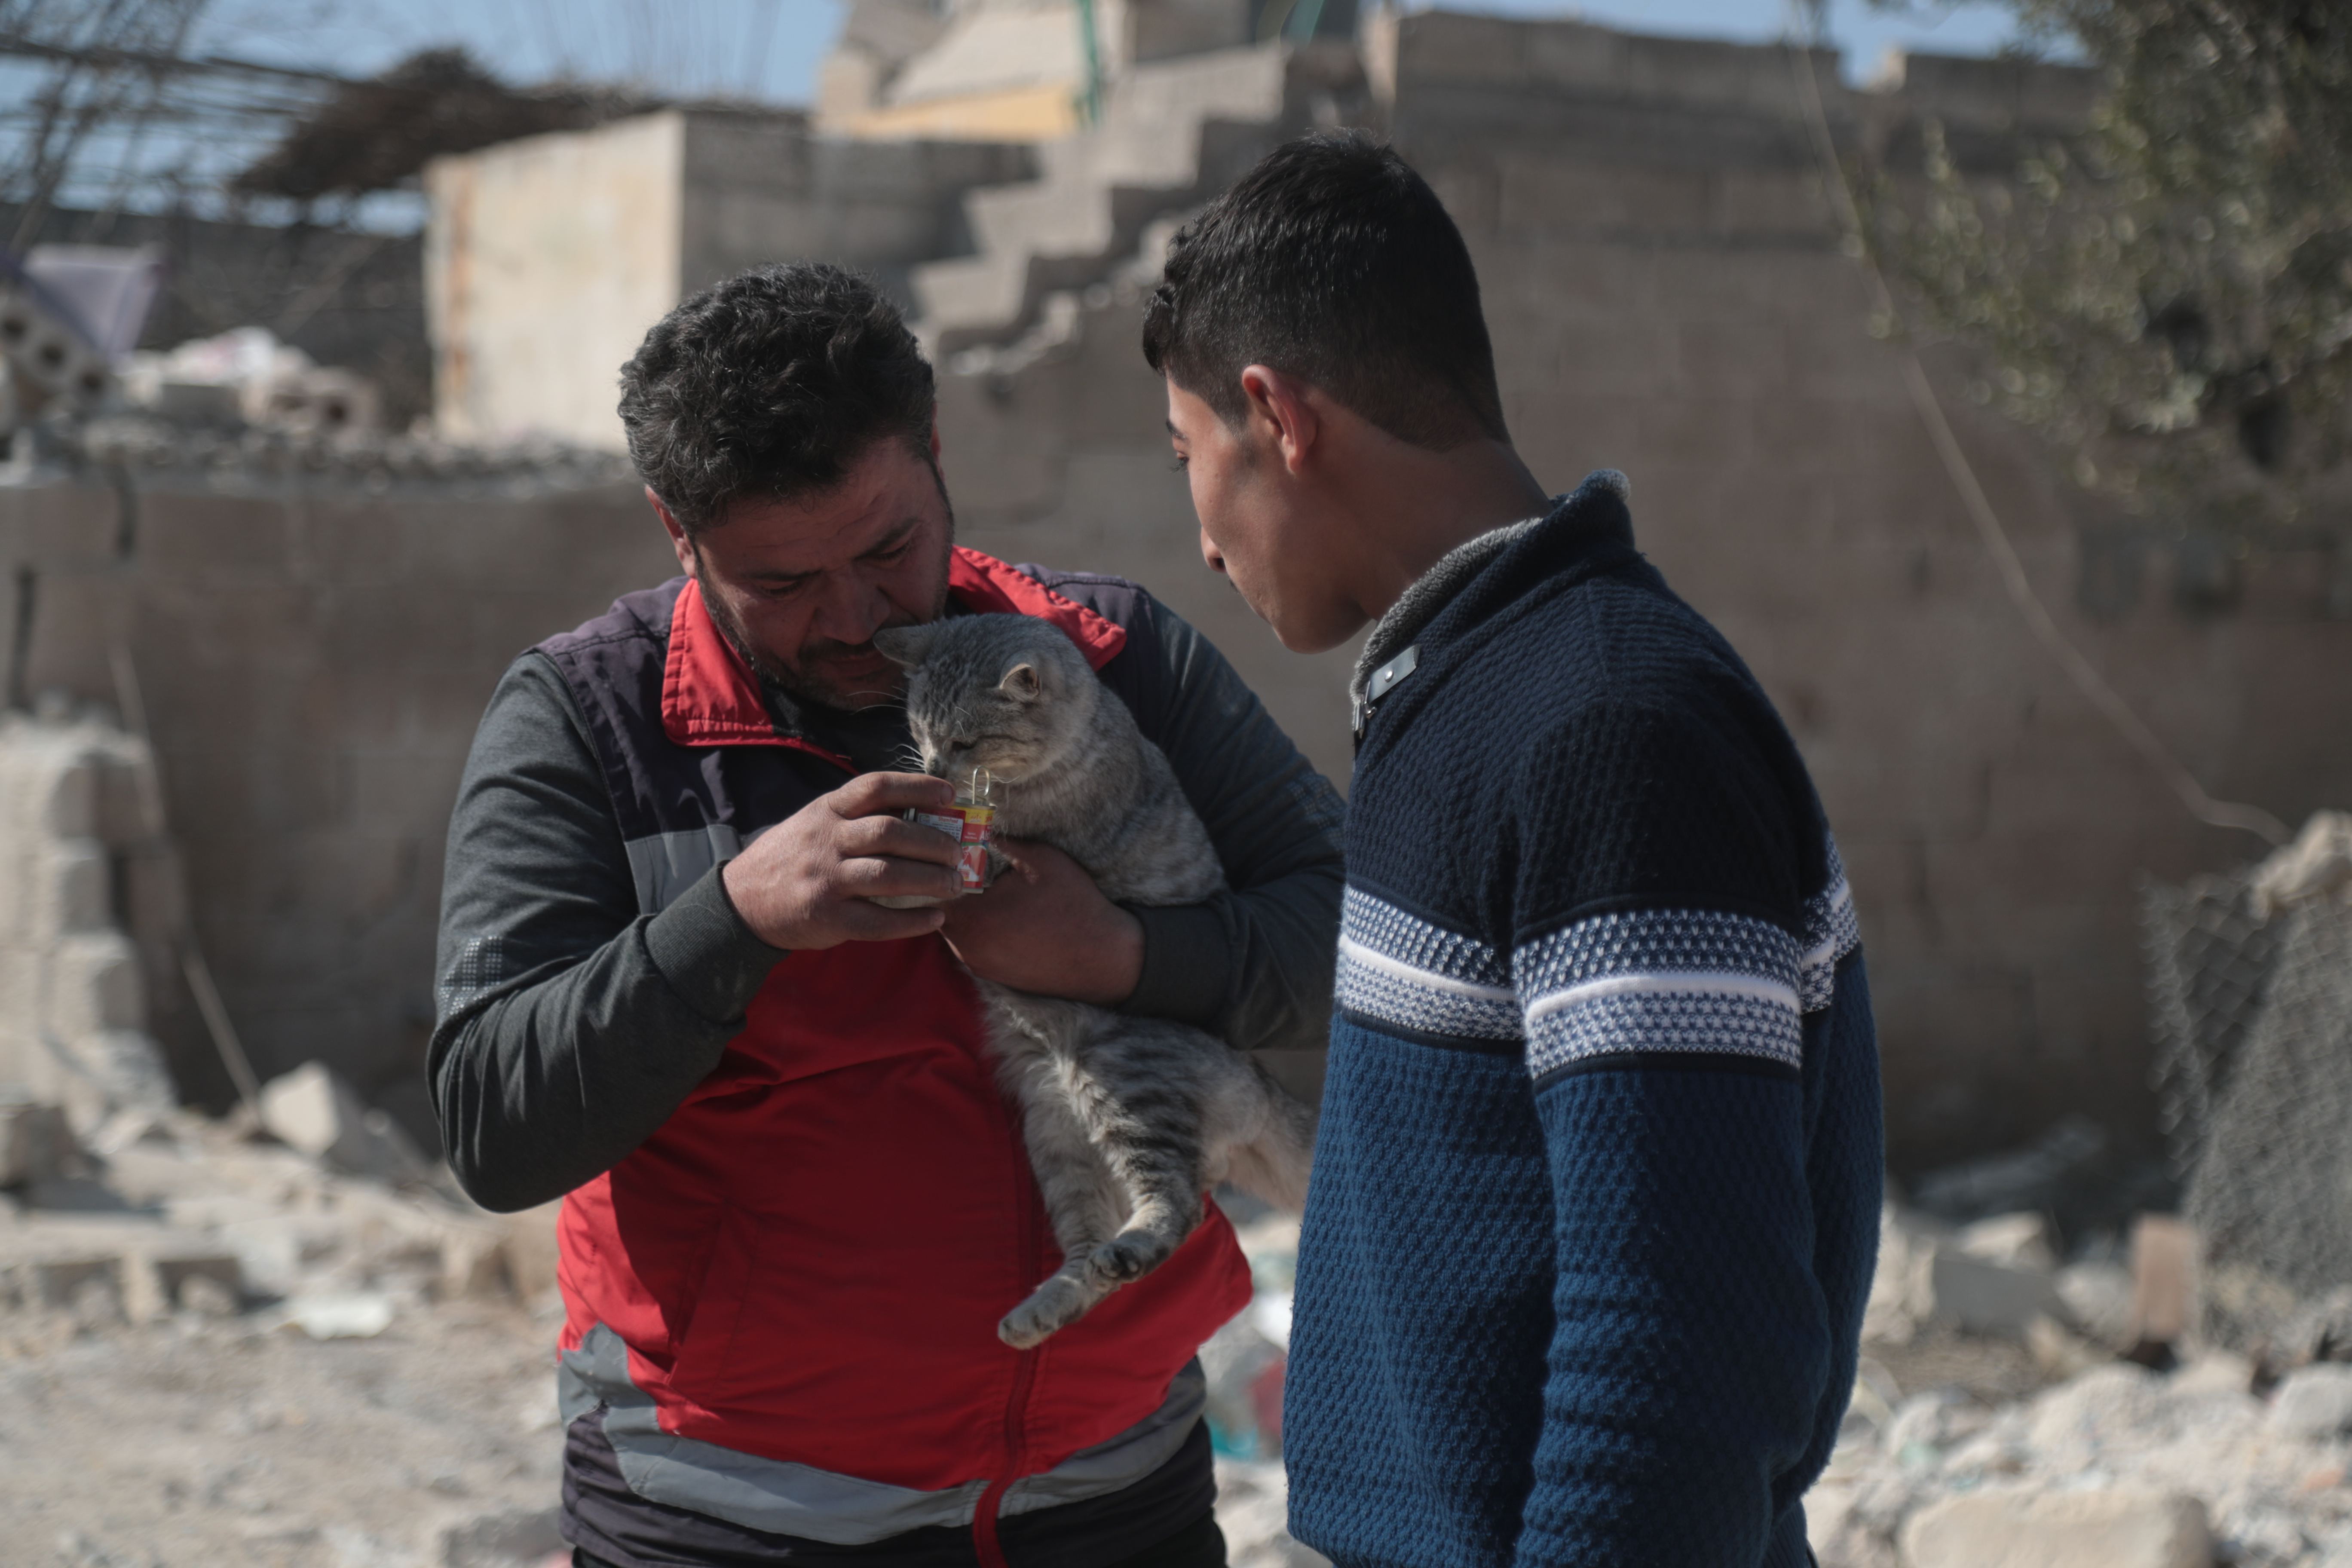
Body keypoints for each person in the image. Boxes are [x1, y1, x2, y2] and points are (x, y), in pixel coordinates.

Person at [428, 262, 1346, 1568]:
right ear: (674, 531)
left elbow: (1358, 939)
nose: (855, 618)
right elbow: (491, 1125)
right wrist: (734, 921)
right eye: (782, 583)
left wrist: (1125, 955)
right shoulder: (587, 725)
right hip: (729, 1517)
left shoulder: (1104, 656)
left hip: (1115, 1486)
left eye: (886, 549)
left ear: (934, 451)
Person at [1145, 132, 1883, 1567]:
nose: (1204, 540)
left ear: (1275, 417)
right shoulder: (1469, 695)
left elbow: (1679, 1335)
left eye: (1186, 459)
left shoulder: (1608, 726)